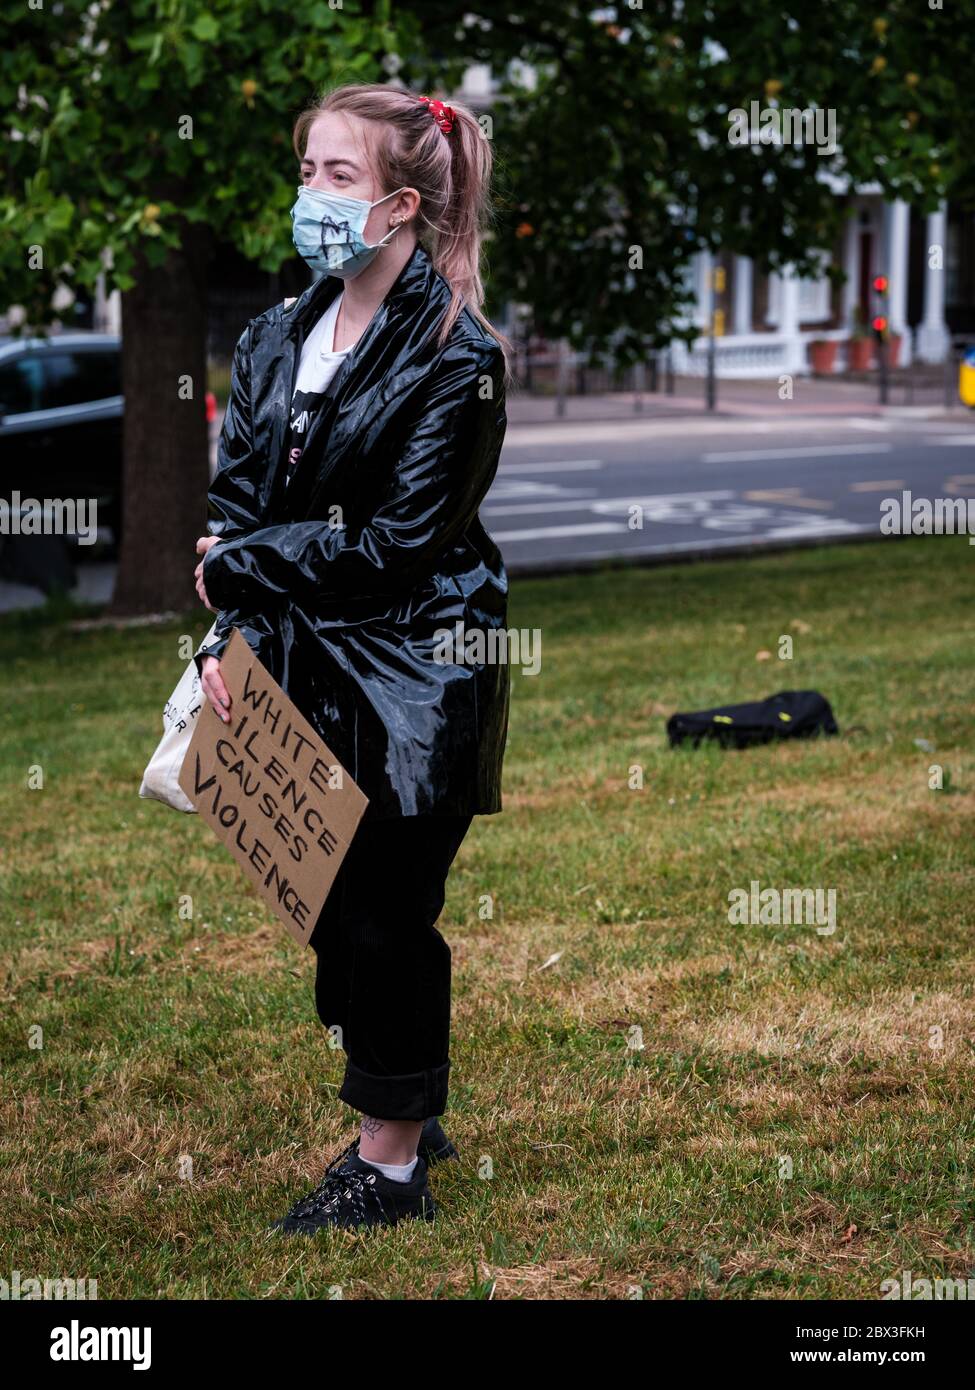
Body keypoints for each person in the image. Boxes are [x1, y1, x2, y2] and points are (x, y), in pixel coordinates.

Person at [190, 83, 510, 1233]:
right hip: (300, 665)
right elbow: (234, 508)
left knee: (384, 912)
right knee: (326, 908)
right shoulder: (276, 334)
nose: (310, 195)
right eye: (307, 170)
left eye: (338, 176)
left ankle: (388, 1164)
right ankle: (405, 1089)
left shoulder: (455, 358)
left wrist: (242, 566)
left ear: (401, 205)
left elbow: (390, 548)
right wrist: (228, 633)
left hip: (417, 675)